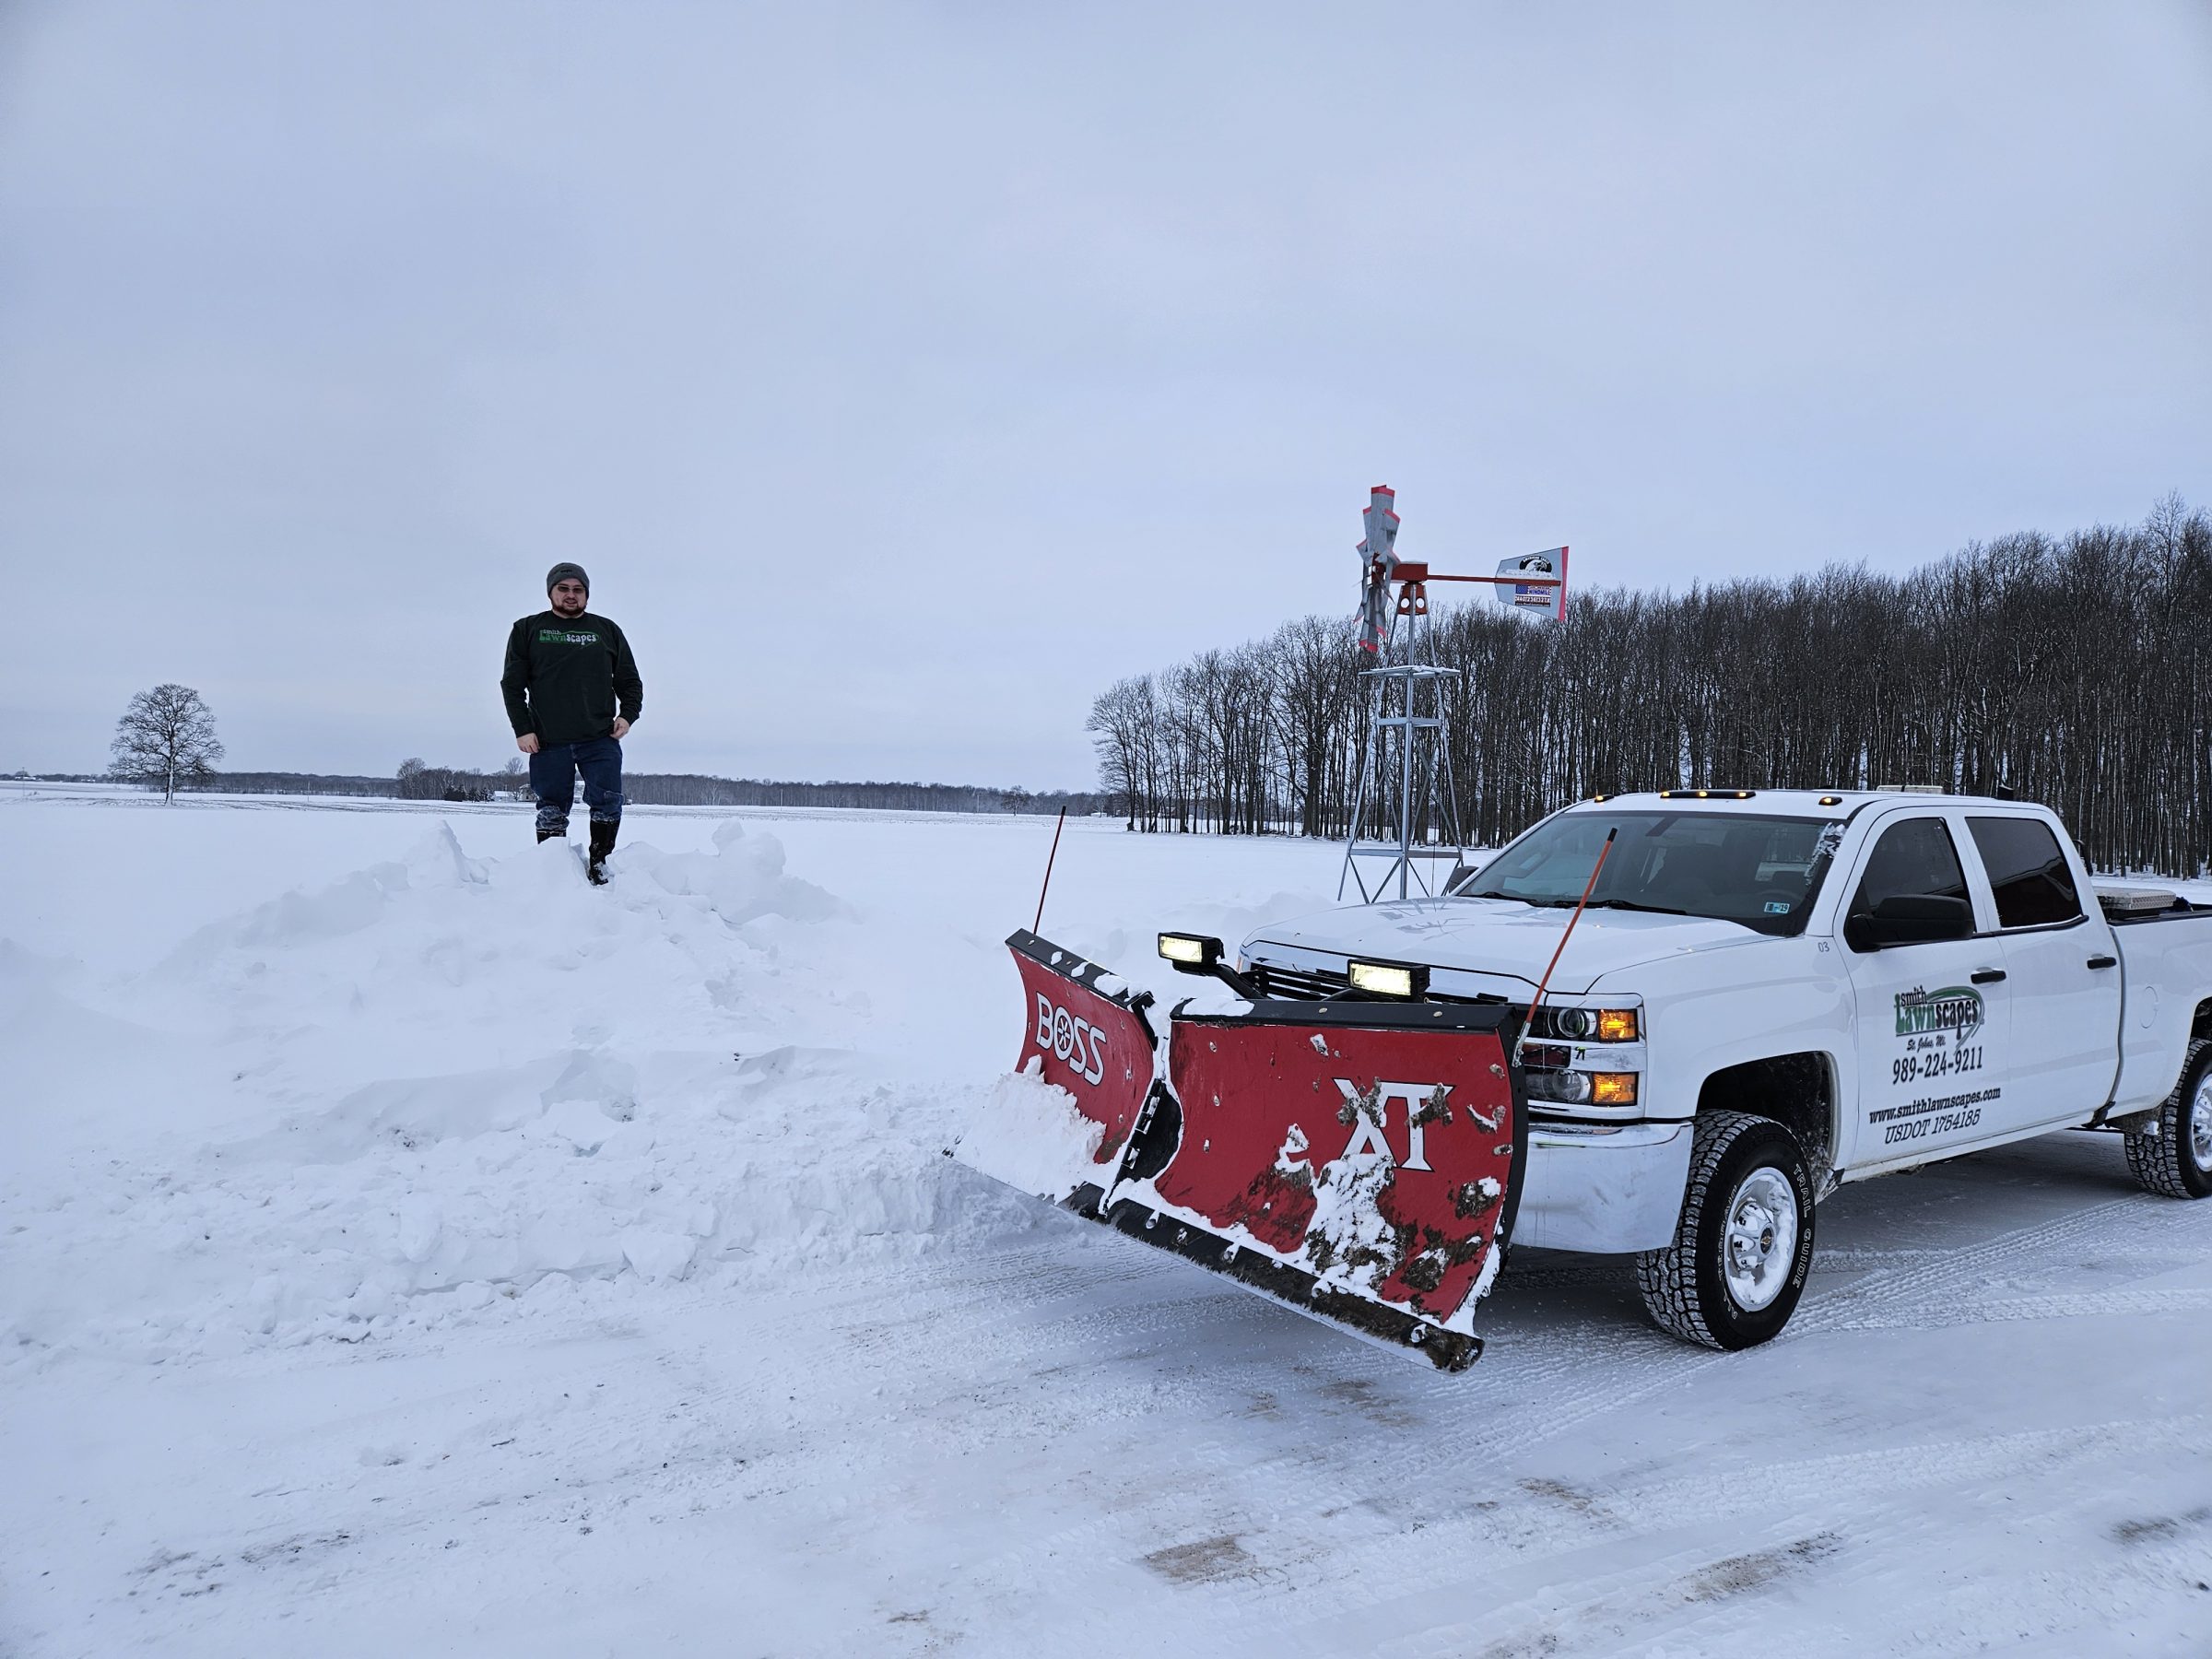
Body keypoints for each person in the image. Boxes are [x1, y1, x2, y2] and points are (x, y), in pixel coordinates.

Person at [500, 563, 643, 884]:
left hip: (599, 737)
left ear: (586, 595)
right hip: (547, 739)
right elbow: (512, 685)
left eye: (577, 590)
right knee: (551, 807)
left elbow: (630, 681)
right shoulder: (527, 629)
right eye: (563, 588)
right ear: (551, 591)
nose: (570, 595)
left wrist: (627, 715)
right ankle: (554, 873)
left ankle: (600, 864)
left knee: (608, 801)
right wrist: (522, 728)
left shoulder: (606, 630)